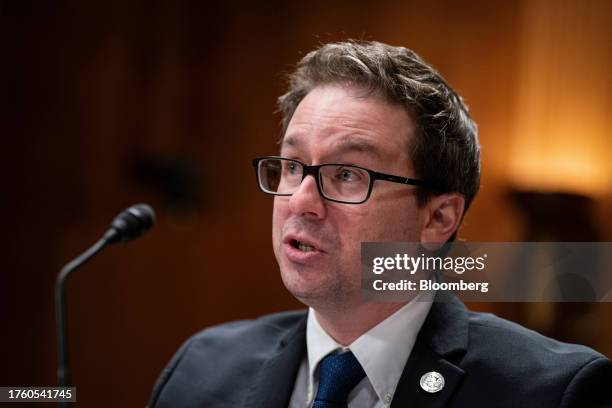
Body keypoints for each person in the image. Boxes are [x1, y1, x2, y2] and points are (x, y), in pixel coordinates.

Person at [148, 41, 612, 407]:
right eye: (292, 166)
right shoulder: (201, 369)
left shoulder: (553, 393)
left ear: (438, 217)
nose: (302, 201)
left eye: (348, 174)